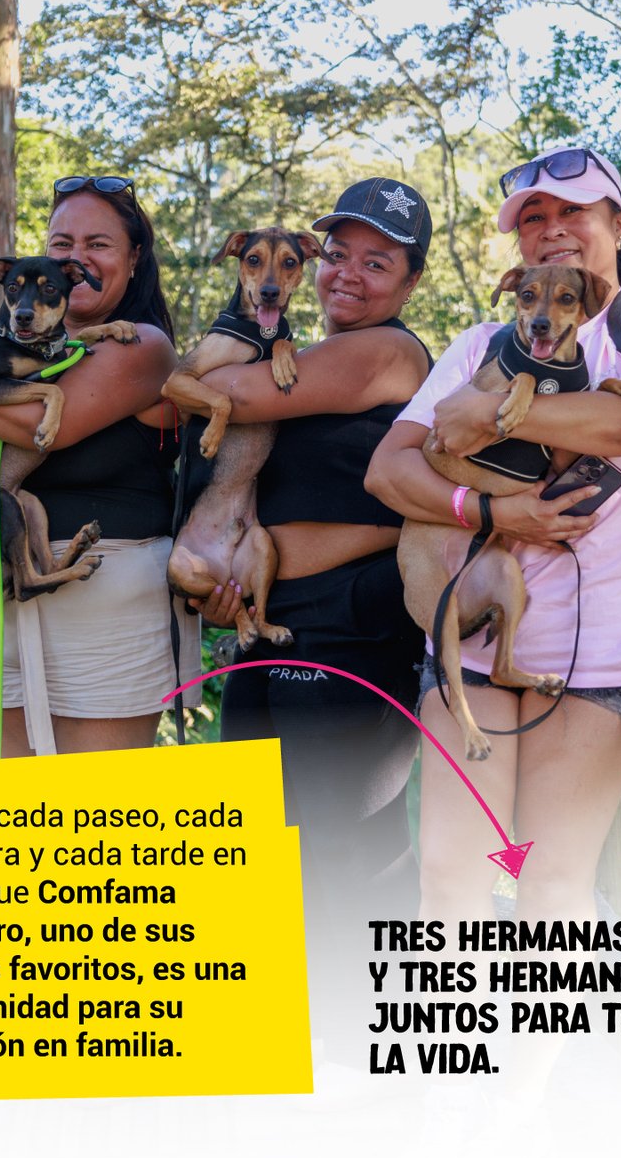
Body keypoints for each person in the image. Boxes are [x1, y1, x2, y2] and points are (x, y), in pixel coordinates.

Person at [366, 146, 621, 929]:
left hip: (608, 654)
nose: (554, 229)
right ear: (519, 251)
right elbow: (390, 471)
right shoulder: (478, 346)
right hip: (476, 641)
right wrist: (493, 514)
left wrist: (490, 413)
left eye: (574, 212)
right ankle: (458, 1051)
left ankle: (548, 1056)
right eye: (535, 219)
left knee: (551, 891)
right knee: (450, 881)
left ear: (616, 224)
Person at [179, 178, 434, 1057]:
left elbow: (227, 395)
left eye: (381, 262)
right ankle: (275, 1056)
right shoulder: (302, 352)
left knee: (350, 862)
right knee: (261, 850)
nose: (350, 275)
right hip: (267, 624)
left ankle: (383, 1067)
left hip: (354, 633)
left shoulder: (387, 353)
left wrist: (164, 370)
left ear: (408, 285)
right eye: (342, 255)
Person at [0, 175, 199, 759]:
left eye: (99, 244)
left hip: (106, 603)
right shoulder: (37, 348)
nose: (77, 259)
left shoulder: (143, 345)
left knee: (93, 830)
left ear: (134, 258)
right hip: (7, 594)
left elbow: (47, 432)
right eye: (62, 243)